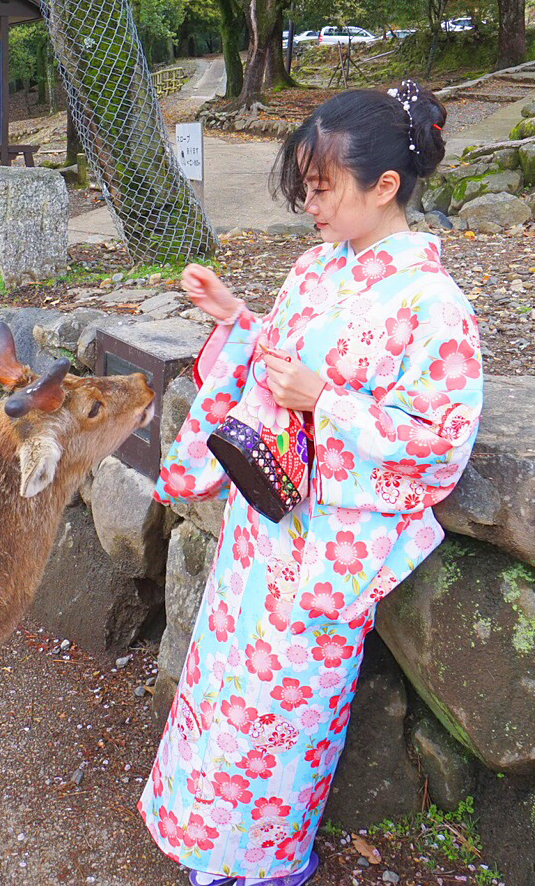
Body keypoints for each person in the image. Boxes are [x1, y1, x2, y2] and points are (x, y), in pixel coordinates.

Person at [141, 82, 483, 886]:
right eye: (307, 186)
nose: (311, 204)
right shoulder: (316, 268)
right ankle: (207, 842)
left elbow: (439, 443)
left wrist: (327, 402)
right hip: (268, 522)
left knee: (286, 710)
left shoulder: (435, 306)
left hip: (333, 545)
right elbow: (285, 362)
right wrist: (238, 319)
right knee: (227, 684)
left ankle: (264, 864)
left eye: (324, 187)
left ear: (386, 186)